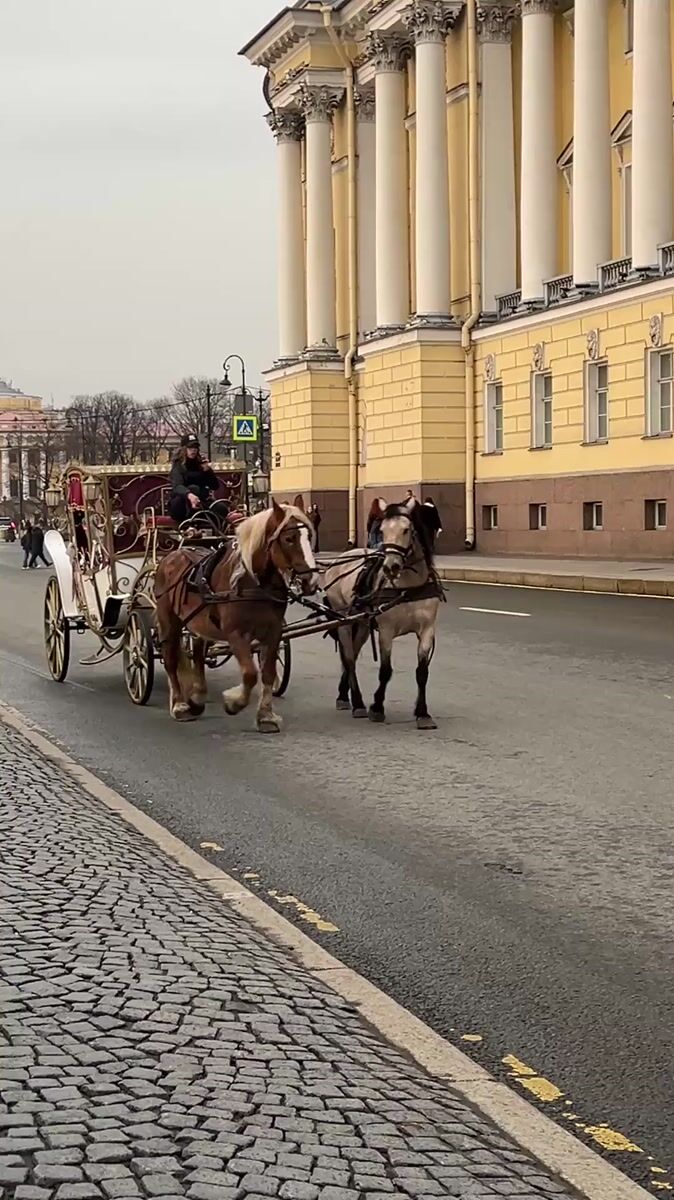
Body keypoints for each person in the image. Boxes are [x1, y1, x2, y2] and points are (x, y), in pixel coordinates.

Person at [169, 435, 220, 524]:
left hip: (201, 501)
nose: (193, 450)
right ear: (184, 449)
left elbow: (215, 486)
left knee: (221, 509)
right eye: (190, 447)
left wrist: (208, 471)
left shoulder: (200, 464)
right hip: (182, 503)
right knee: (193, 489)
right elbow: (177, 486)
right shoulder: (178, 466)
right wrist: (189, 495)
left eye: (195, 447)